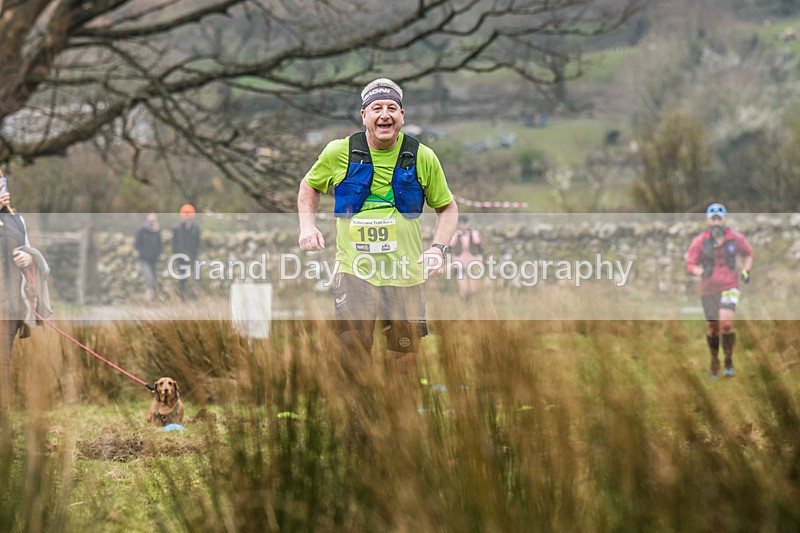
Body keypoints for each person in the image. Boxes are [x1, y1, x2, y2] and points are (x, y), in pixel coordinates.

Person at [297, 77, 458, 385]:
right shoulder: (338, 152)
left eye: (392, 108)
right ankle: (359, 429)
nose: (385, 115)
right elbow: (309, 186)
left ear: (402, 116)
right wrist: (307, 226)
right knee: (353, 350)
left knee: (404, 363)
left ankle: (400, 428)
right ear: (364, 116)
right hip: (355, 271)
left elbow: (447, 208)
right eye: (377, 108)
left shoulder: (422, 156)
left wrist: (437, 250)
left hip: (406, 275)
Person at [686, 203, 753, 379]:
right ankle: (715, 360)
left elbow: (748, 254)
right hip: (708, 290)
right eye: (713, 218)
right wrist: (701, 272)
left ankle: (729, 361)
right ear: (708, 220)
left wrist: (746, 270)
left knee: (726, 324)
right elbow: (690, 264)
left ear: (724, 220)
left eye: (719, 218)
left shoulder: (736, 239)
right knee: (713, 328)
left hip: (730, 286)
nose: (716, 222)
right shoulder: (700, 242)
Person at [1, 176, 51, 400]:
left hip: (12, 307)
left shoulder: (16, 220)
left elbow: (31, 252)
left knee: (4, 364)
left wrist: (29, 258)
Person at [449, 215, 483, 300]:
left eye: (465, 223)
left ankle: (471, 303)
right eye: (461, 223)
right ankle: (464, 304)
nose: (463, 225)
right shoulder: (455, 234)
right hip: (459, 261)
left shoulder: (474, 233)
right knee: (463, 287)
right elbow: (450, 246)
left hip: (472, 260)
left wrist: (480, 258)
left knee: (473, 288)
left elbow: (479, 246)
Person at [172, 204, 201, 301]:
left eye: (189, 214)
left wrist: (196, 255)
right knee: (182, 279)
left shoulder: (196, 229)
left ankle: (196, 297)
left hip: (193, 257)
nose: (187, 216)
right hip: (181, 258)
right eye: (185, 214)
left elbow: (198, 243)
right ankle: (182, 298)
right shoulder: (178, 228)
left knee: (196, 278)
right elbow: (174, 244)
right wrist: (177, 255)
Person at [134, 213, 162, 302]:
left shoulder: (157, 232)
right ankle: (148, 298)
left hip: (154, 259)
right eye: (150, 220)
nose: (151, 222)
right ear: (147, 220)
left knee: (153, 278)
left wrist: (157, 253)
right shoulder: (141, 231)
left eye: (153, 220)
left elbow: (160, 245)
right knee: (148, 277)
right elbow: (137, 244)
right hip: (144, 259)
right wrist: (143, 253)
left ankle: (151, 297)